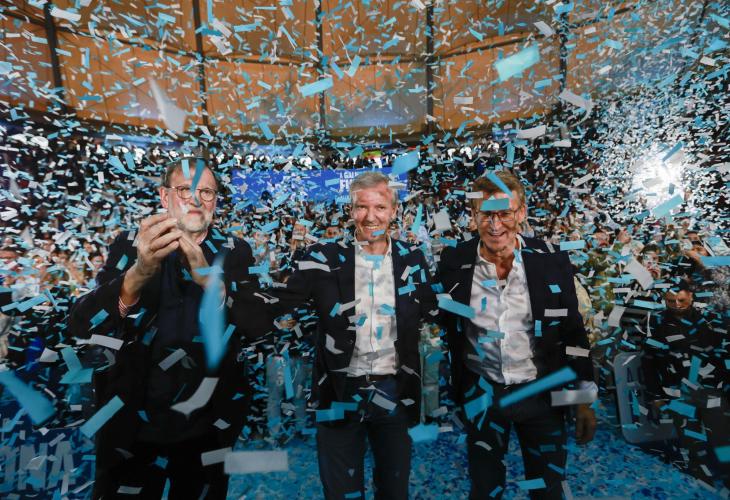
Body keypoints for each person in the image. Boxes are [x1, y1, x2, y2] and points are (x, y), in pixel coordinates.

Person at [68, 158, 271, 499]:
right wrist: (138, 274)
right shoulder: (129, 243)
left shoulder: (235, 251)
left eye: (206, 191)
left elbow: (258, 325)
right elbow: (83, 325)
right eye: (185, 190)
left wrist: (212, 283)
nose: (196, 199)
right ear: (164, 197)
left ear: (216, 200)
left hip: (206, 426)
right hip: (132, 425)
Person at [273, 171, 437, 499]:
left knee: (394, 490)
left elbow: (431, 310)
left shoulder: (413, 258)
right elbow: (279, 301)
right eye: (362, 207)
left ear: (394, 211)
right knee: (341, 492)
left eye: (380, 207)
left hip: (393, 391)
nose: (371, 216)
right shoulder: (323, 257)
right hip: (339, 390)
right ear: (351, 210)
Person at [437, 171, 597, 499]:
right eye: (486, 215)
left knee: (549, 488)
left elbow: (573, 331)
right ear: (473, 215)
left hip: (542, 393)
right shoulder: (454, 260)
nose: (495, 225)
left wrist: (582, 398)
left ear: (521, 212)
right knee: (484, 488)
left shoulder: (551, 259)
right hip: (483, 393)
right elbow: (444, 320)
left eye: (505, 214)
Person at [641, 281, 729, 488]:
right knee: (690, 443)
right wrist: (656, 396)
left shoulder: (709, 319)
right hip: (677, 390)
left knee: (723, 438)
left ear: (691, 296)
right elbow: (649, 362)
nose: (677, 305)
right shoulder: (656, 322)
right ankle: (701, 484)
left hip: (711, 388)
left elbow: (724, 354)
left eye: (681, 300)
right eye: (671, 301)